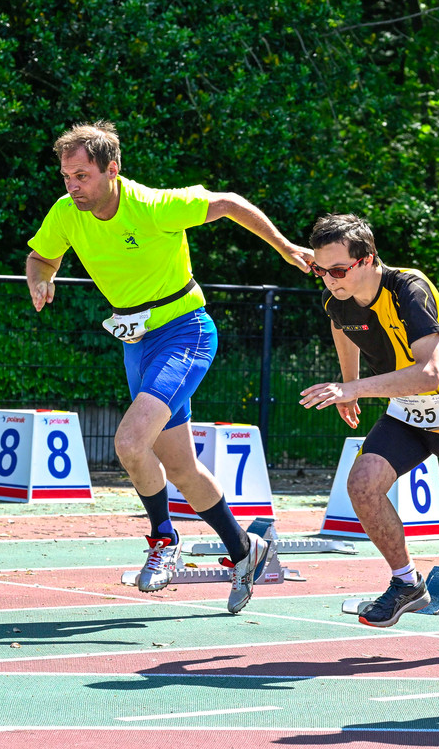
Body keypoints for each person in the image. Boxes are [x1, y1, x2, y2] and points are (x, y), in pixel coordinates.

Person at [25, 120, 312, 613]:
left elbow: (229, 203)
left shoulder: (154, 205)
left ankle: (163, 539)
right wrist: (40, 278)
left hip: (185, 332)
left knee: (129, 442)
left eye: (82, 176)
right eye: (66, 176)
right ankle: (246, 550)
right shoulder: (66, 212)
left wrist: (285, 248)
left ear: (112, 170)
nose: (72, 186)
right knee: (181, 467)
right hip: (137, 342)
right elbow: (40, 256)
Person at [298, 214, 439, 656]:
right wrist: (351, 384)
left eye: (338, 270)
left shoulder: (409, 288)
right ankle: (406, 583)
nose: (328, 280)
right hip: (406, 416)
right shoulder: (338, 300)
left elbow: (429, 374)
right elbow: (341, 327)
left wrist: (352, 388)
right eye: (320, 270)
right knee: (361, 485)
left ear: (367, 260)